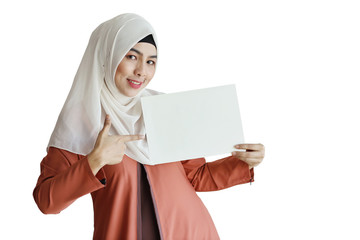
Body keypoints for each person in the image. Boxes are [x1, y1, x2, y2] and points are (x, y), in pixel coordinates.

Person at [33, 13, 265, 240]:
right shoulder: (82, 121)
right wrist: (95, 160)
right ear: (107, 55)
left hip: (192, 232)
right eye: (131, 57)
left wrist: (243, 162)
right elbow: (46, 201)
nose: (142, 71)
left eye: (151, 61)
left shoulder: (163, 109)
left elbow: (196, 176)